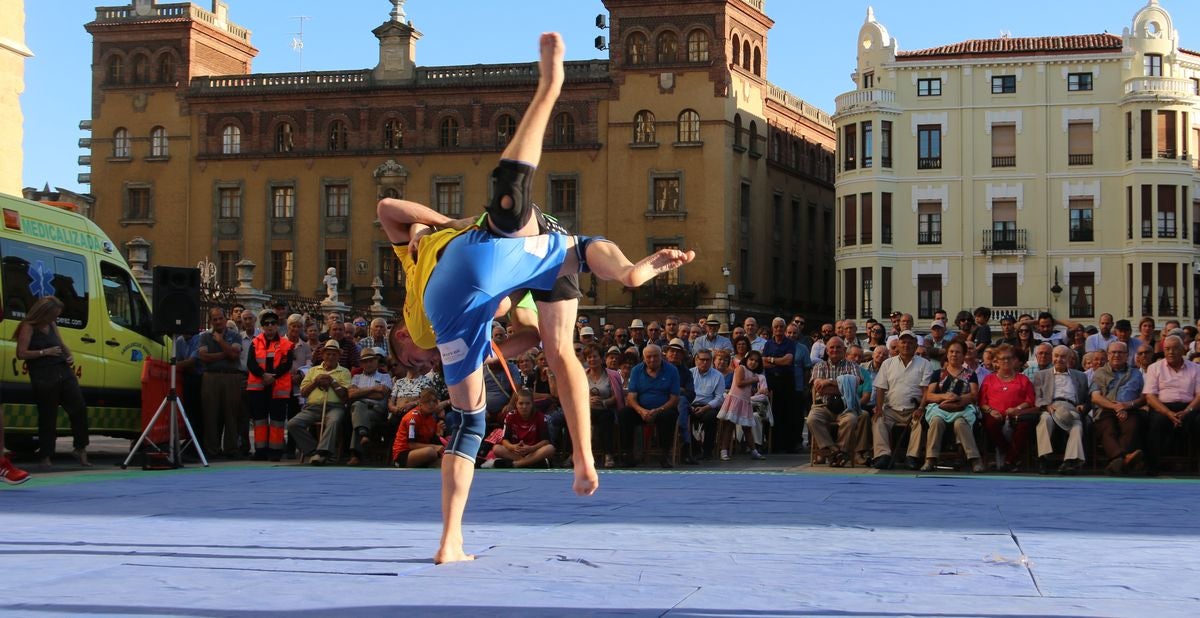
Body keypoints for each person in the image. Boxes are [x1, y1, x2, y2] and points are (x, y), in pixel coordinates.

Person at [379, 32, 694, 565]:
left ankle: (455, 538)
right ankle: (627, 274)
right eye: (415, 363)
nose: (418, 359)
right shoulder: (439, 324)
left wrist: (446, 222)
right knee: (549, 289)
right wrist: (506, 328)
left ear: (401, 334)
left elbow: (390, 205)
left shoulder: (414, 266)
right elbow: (520, 329)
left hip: (480, 274)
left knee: (478, 414)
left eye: (410, 353)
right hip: (485, 279)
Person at [13, 296, 89, 468]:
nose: (55, 318)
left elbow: (61, 345)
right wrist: (44, 352)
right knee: (48, 415)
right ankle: (46, 455)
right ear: (43, 313)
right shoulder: (28, 327)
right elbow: (21, 353)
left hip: (63, 370)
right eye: (53, 315)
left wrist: (69, 355)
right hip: (43, 374)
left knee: (79, 407)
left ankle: (80, 447)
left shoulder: (52, 325)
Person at [919, 340, 984, 473]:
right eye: (951, 352)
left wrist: (958, 398)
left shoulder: (970, 374)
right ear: (947, 354)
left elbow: (973, 395)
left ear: (964, 355)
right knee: (936, 421)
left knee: (960, 423)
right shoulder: (938, 373)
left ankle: (975, 459)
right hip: (940, 408)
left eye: (958, 352)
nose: (954, 355)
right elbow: (929, 396)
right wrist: (945, 396)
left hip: (962, 408)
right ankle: (930, 459)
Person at [871, 330, 931, 470]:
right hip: (891, 409)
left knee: (920, 422)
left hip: (914, 409)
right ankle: (883, 455)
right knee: (877, 419)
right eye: (903, 342)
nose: (906, 345)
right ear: (897, 344)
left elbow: (926, 390)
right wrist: (879, 407)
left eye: (910, 342)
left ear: (916, 345)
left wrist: (921, 408)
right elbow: (880, 388)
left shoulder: (924, 363)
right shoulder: (887, 363)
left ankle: (912, 457)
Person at [1141, 335, 1200, 476]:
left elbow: (1199, 395)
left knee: (1199, 421)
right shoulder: (1154, 368)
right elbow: (1150, 396)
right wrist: (1168, 413)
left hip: (1189, 407)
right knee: (1155, 422)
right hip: (1163, 408)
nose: (1171, 352)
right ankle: (1152, 467)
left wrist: (1187, 411)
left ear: (1183, 350)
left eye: (1175, 349)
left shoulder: (1196, 368)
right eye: (1167, 349)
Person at [289, 339, 351, 465]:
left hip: (335, 407)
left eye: (334, 354)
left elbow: (345, 396)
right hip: (312, 407)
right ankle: (313, 450)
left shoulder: (344, 371)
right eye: (328, 353)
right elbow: (303, 393)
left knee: (334, 420)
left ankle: (322, 452)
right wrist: (316, 382)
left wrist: (332, 382)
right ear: (323, 355)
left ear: (339, 356)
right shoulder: (313, 370)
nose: (331, 357)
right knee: (292, 424)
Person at [620, 344, 682, 468]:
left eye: (655, 356)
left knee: (669, 416)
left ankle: (665, 455)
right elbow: (631, 397)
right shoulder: (637, 370)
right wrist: (641, 411)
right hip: (641, 409)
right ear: (644, 358)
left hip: (663, 408)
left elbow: (674, 398)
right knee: (624, 413)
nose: (652, 360)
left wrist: (658, 410)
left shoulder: (672, 370)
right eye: (649, 357)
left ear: (661, 356)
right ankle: (627, 454)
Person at [979, 344, 1038, 471]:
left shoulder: (1023, 379)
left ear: (1014, 360)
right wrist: (991, 410)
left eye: (1009, 358)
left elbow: (1030, 400)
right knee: (990, 423)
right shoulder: (989, 379)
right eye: (1002, 358)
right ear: (997, 361)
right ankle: (1011, 455)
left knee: (1024, 425)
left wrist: (1018, 408)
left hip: (1017, 414)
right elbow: (982, 402)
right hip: (994, 414)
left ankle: (1009, 460)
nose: (1006, 361)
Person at [195, 307, 244, 458]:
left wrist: (220, 342)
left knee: (231, 413)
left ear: (225, 318)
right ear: (211, 321)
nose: (218, 321)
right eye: (214, 319)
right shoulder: (204, 337)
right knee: (210, 414)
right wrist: (226, 353)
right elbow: (204, 357)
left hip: (231, 377)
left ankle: (231, 449)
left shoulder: (235, 335)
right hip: (211, 377)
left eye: (220, 318)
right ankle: (211, 450)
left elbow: (235, 356)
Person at [1090, 341, 1145, 476]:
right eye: (1113, 352)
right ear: (1108, 355)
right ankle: (1124, 458)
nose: (1116, 355)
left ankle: (1117, 462)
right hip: (1106, 409)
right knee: (1107, 429)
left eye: (1120, 352)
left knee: (1131, 426)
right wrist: (1116, 407)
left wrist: (1128, 405)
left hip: (1129, 409)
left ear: (1127, 355)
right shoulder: (1099, 373)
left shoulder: (1136, 374)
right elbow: (1095, 397)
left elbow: (1144, 397)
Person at [246, 310, 294, 462]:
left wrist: (273, 377)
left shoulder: (286, 344)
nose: (270, 326)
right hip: (258, 387)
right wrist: (263, 375)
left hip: (277, 387)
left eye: (273, 323)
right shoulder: (255, 342)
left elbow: (287, 364)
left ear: (277, 326)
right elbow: (251, 363)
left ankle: (275, 451)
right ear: (262, 326)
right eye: (266, 324)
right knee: (259, 420)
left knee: (277, 421)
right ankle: (260, 450)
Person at [806, 337, 861, 467]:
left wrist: (828, 382)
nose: (835, 350)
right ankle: (835, 451)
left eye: (838, 347)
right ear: (827, 350)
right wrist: (844, 385)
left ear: (844, 349)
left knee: (851, 420)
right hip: (823, 406)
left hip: (846, 407)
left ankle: (840, 450)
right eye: (832, 347)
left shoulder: (853, 365)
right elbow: (820, 389)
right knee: (812, 419)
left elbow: (855, 385)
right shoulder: (819, 366)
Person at [347, 347, 394, 466]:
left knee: (357, 409)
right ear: (361, 363)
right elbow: (351, 394)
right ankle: (363, 434)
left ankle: (355, 454)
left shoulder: (385, 377)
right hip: (361, 411)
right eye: (365, 361)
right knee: (358, 409)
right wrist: (373, 388)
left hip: (377, 410)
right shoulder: (356, 378)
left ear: (376, 361)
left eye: (371, 361)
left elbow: (380, 395)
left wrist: (360, 393)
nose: (368, 364)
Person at [715, 350, 765, 461]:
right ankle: (724, 451)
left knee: (747, 428)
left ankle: (754, 451)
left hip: (745, 402)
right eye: (751, 360)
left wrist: (759, 388)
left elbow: (751, 387)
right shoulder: (740, 368)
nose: (753, 363)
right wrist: (755, 379)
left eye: (756, 361)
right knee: (729, 427)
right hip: (735, 400)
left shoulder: (753, 373)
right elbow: (739, 383)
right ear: (746, 359)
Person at [487, 388, 555, 468]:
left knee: (550, 448)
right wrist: (513, 447)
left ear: (532, 404)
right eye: (521, 403)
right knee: (496, 448)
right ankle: (532, 463)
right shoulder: (510, 416)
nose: (524, 407)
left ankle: (515, 464)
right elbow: (505, 440)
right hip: (516, 451)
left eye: (527, 403)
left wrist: (532, 448)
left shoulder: (540, 417)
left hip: (534, 450)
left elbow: (546, 441)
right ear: (516, 404)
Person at [583, 343, 623, 469]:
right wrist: (587, 400)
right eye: (589, 357)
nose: (592, 360)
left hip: (606, 409)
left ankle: (608, 455)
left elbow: (617, 396)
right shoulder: (581, 374)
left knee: (606, 418)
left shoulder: (613, 375)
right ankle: (576, 455)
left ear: (601, 358)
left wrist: (604, 402)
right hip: (587, 410)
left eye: (595, 356)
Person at [392, 387, 444, 468]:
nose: (431, 404)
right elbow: (411, 445)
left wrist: (439, 435)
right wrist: (434, 447)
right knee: (430, 452)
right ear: (420, 403)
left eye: (434, 401)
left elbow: (432, 440)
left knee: (447, 461)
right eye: (428, 401)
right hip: (404, 454)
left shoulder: (432, 418)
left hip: (421, 451)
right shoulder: (412, 418)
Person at [689, 348, 725, 461]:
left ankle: (707, 450)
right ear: (696, 360)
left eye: (708, 360)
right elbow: (684, 393)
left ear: (712, 361)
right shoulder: (689, 373)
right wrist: (689, 406)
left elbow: (719, 398)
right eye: (702, 359)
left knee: (711, 417)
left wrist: (705, 408)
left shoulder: (718, 375)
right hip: (691, 404)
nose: (705, 362)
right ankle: (694, 448)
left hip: (708, 405)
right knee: (681, 417)